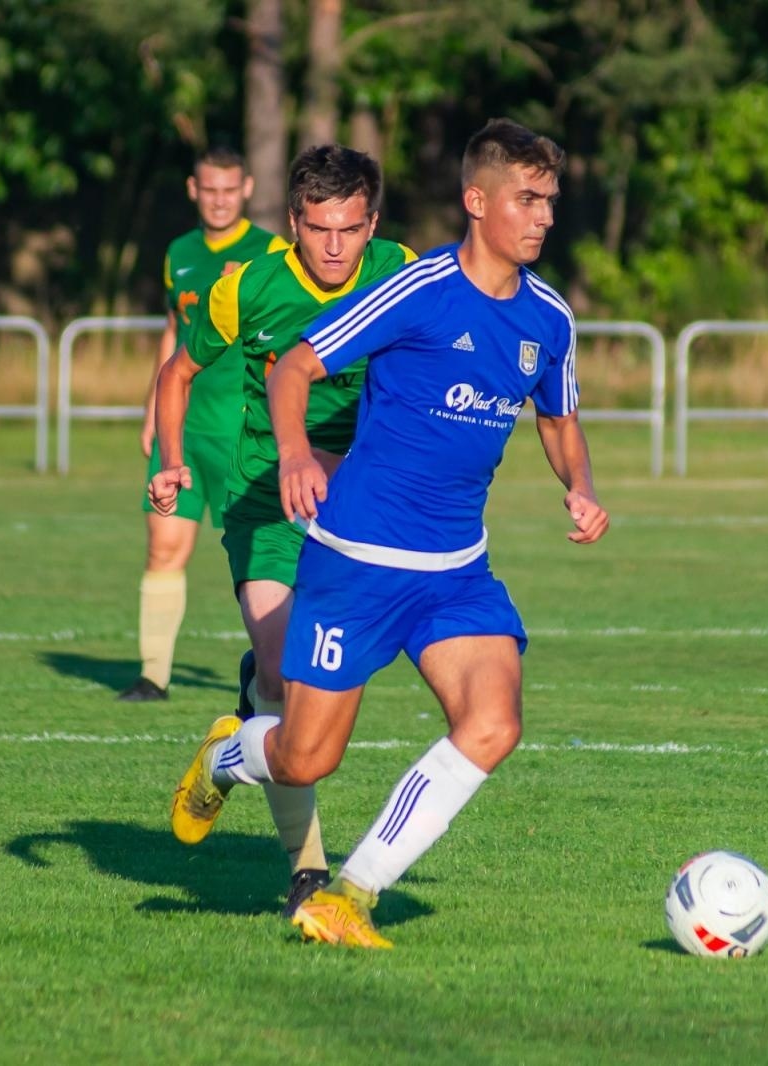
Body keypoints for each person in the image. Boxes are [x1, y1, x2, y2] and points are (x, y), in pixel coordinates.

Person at [170, 119, 609, 948]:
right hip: (358, 560)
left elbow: (559, 419)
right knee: (305, 759)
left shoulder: (549, 319)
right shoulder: (419, 289)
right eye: (527, 198)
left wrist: (580, 485)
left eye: (550, 200)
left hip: (456, 571)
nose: (544, 216)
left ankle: (353, 891)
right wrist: (296, 456)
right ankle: (229, 755)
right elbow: (297, 364)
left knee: (493, 722)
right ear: (477, 202)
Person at [151, 144, 415, 915]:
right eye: (318, 228)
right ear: (292, 221)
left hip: (361, 509)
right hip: (266, 502)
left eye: (351, 229)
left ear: (372, 224)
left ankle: (234, 742)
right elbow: (179, 372)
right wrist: (172, 459)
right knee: (283, 673)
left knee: (308, 696)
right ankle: (306, 871)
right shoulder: (249, 287)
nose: (335, 247)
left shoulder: (401, 269)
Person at [117, 148, 286, 703]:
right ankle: (153, 676)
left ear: (246, 189)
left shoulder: (271, 253)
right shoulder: (179, 254)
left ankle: (267, 671)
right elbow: (174, 331)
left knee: (262, 563)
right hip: (184, 431)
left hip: (246, 435)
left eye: (228, 189)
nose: (218, 199)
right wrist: (152, 407)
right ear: (193, 189)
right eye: (208, 189)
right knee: (163, 548)